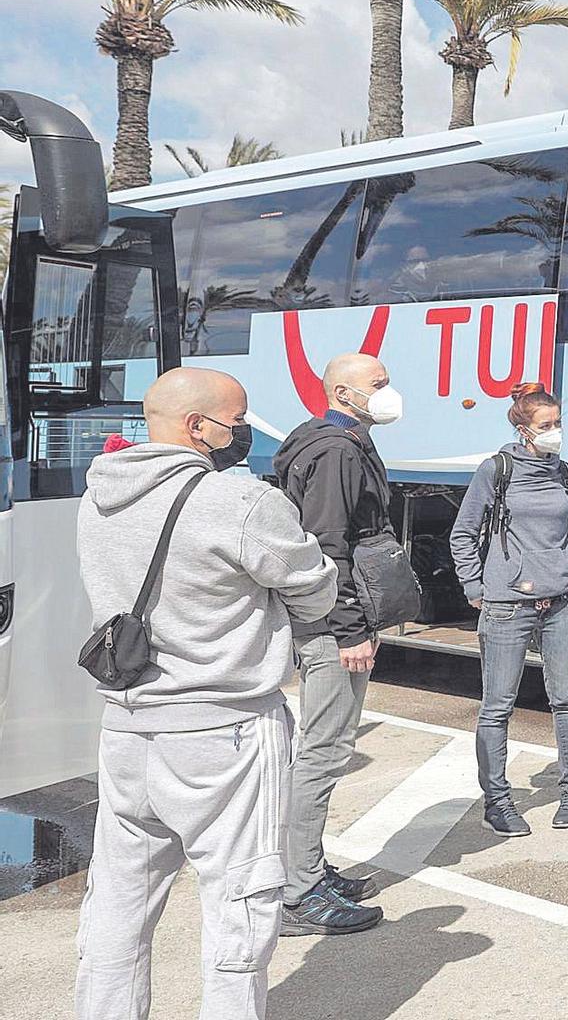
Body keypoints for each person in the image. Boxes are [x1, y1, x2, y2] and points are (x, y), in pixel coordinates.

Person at [75, 367, 338, 1020]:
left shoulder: (99, 495)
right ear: (199, 427)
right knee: (239, 904)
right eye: (238, 419)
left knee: (118, 900)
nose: (244, 430)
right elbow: (315, 589)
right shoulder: (240, 502)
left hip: (127, 727)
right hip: (225, 732)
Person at [450, 384, 568, 837]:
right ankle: (498, 800)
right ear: (524, 429)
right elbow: (463, 533)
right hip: (507, 606)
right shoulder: (498, 470)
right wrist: (474, 587)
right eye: (546, 426)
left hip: (561, 603)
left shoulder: (565, 474)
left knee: (566, 699)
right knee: (497, 706)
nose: (555, 433)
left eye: (558, 424)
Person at [269, 352, 401, 935]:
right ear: (344, 395)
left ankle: (309, 869)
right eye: (377, 384)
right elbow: (327, 545)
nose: (388, 392)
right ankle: (297, 894)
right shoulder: (337, 451)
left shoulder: (330, 442)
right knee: (322, 753)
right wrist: (348, 629)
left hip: (332, 621)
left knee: (325, 750)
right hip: (331, 627)